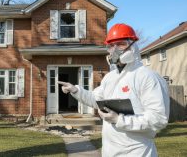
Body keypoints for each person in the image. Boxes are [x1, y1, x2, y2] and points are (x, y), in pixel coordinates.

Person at [58, 23, 170, 157]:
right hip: (109, 151)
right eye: (111, 45)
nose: (115, 49)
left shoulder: (147, 77)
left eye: (121, 44)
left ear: (132, 46)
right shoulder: (110, 77)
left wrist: (119, 120)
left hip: (138, 151)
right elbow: (96, 99)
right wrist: (75, 90)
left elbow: (158, 119)